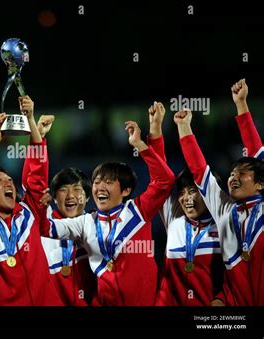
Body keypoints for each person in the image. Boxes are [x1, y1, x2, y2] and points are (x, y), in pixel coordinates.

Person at [40, 120, 175, 305]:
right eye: (96, 182)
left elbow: (164, 180)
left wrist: (140, 145)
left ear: (126, 191)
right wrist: (40, 206)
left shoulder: (138, 211)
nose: (100, 188)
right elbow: (46, 228)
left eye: (109, 182)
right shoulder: (86, 222)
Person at [0, 96, 61, 305]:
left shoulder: (28, 211)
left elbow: (36, 175)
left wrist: (31, 120)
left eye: (9, 180)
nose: (8, 184)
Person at [176, 78, 263, 305]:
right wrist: (184, 129)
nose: (233, 177)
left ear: (261, 184)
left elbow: (257, 156)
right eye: (232, 173)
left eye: (242, 173)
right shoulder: (224, 209)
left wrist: (241, 105)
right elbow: (199, 171)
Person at [145, 102, 224, 306]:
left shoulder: (225, 224)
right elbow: (159, 178)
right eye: (182, 193)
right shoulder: (174, 220)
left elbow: (200, 171)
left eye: (194, 192)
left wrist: (184, 127)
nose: (187, 198)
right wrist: (155, 128)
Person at [22, 115, 96, 306]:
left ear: (88, 197)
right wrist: (36, 137)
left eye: (77, 190)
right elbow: (33, 183)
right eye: (63, 190)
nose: (70, 196)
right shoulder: (43, 222)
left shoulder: (97, 225)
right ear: (54, 197)